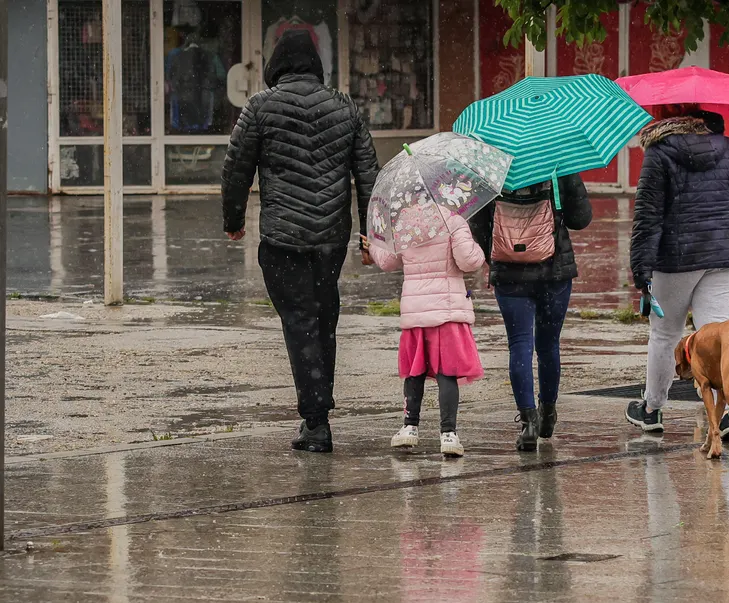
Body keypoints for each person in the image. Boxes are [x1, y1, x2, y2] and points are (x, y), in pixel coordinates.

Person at [221, 29, 379, 453]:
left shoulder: (259, 107)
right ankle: (319, 407)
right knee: (324, 317)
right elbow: (368, 174)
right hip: (330, 237)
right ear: (315, 65)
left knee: (300, 321)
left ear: (276, 65)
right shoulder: (345, 108)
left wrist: (233, 219)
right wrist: (371, 234)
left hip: (282, 238)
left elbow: (236, 169)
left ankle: (316, 421)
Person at [624, 105, 729, 436]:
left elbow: (648, 215)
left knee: (666, 333)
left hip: (676, 257)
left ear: (669, 115)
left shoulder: (660, 151)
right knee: (715, 337)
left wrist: (641, 270)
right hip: (724, 254)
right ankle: (724, 416)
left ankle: (652, 409)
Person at [470, 176, 592, 452]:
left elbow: (478, 227)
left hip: (510, 274)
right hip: (554, 270)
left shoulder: (492, 171)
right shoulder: (559, 164)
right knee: (548, 344)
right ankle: (548, 412)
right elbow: (581, 218)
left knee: (519, 344)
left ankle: (528, 424)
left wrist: (502, 255)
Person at [367, 210, 486, 457]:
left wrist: (373, 246)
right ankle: (448, 434)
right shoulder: (453, 220)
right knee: (447, 372)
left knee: (415, 370)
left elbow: (388, 261)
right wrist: (476, 246)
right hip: (447, 309)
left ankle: (410, 427)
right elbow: (469, 261)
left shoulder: (403, 223)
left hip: (416, 310)